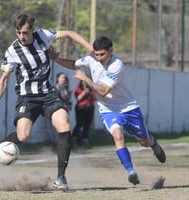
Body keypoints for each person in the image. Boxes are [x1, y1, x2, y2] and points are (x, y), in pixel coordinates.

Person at [0, 13, 92, 190]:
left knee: (64, 125)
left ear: (32, 30)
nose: (21, 36)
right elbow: (4, 79)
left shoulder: (43, 36)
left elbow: (70, 33)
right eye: (18, 32)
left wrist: (90, 49)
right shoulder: (12, 51)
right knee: (23, 136)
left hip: (48, 94)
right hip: (27, 97)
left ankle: (61, 178)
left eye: (25, 32)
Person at [50, 36, 166, 186]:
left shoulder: (117, 65)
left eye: (102, 54)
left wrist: (86, 78)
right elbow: (74, 64)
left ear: (111, 50)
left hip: (128, 107)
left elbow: (103, 90)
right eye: (96, 54)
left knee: (144, 141)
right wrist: (56, 59)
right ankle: (131, 172)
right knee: (118, 136)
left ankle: (153, 143)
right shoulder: (91, 59)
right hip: (108, 110)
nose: (98, 58)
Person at [71, 80, 95, 147]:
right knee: (80, 123)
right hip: (81, 108)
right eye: (84, 82)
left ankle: (84, 139)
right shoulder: (78, 89)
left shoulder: (91, 90)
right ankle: (74, 138)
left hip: (90, 107)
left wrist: (91, 93)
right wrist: (84, 92)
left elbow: (95, 99)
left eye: (87, 82)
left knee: (87, 124)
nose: (85, 83)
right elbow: (78, 98)